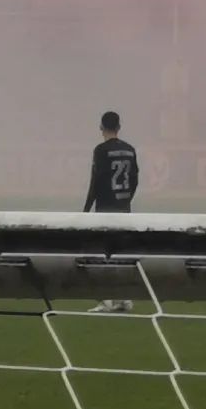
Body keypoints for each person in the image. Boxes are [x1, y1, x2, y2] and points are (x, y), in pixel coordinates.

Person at [85, 110, 139, 314]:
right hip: (123, 208)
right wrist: (126, 201)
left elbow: (95, 182)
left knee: (100, 254)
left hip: (105, 208)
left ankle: (106, 299)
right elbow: (134, 179)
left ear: (101, 127)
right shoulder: (130, 149)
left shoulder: (100, 150)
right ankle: (124, 298)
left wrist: (86, 210)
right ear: (119, 127)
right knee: (121, 255)